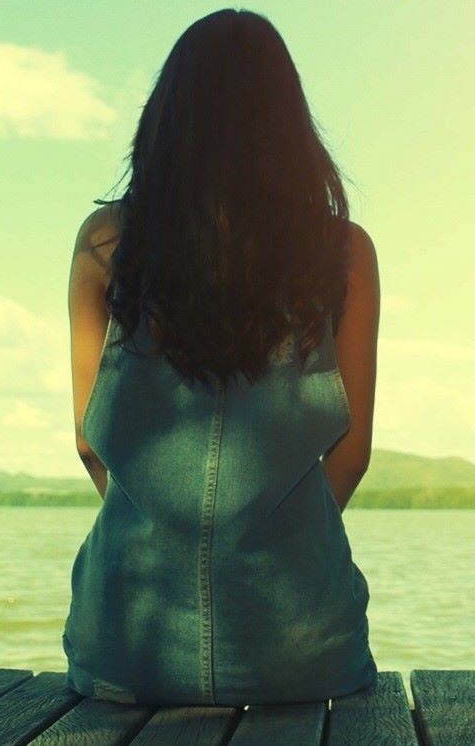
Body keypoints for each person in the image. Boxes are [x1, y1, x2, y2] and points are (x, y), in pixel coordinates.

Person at [60, 9, 381, 707]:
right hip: (300, 651)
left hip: (125, 648)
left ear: (166, 119)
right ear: (288, 126)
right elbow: (350, 455)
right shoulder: (343, 253)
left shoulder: (105, 244)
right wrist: (266, 547)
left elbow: (91, 442)